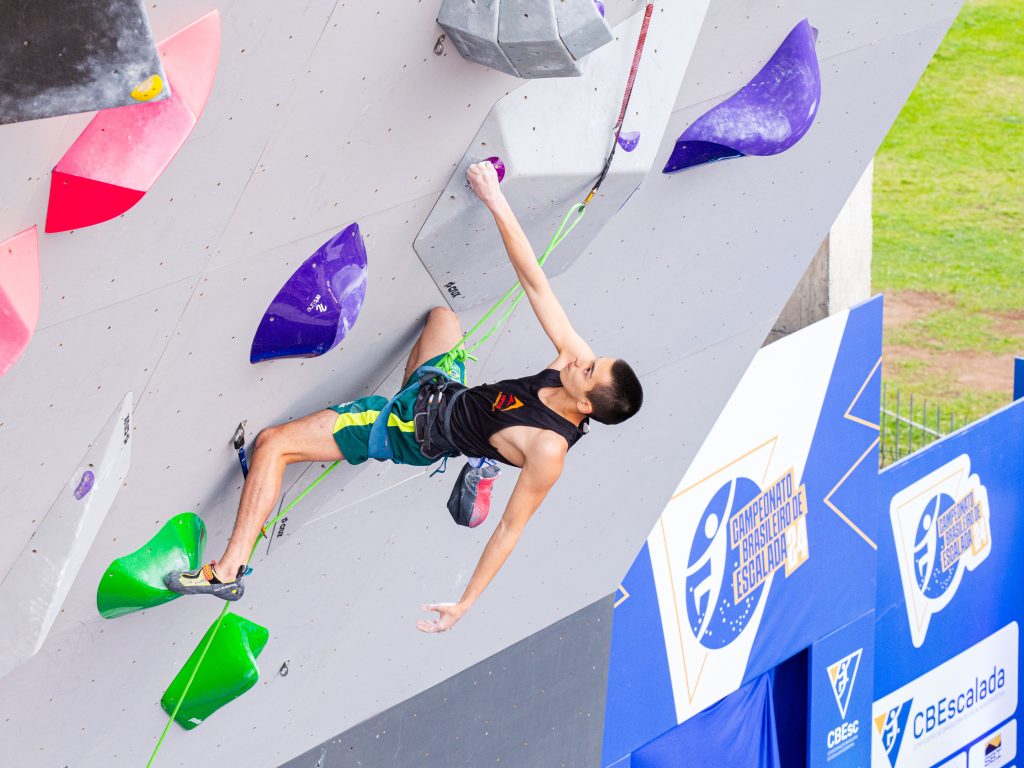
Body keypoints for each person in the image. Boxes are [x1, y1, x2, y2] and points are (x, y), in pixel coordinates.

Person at [166, 161, 643, 633]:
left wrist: (466, 602)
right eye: (593, 359)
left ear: (585, 405)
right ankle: (480, 454)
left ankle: (227, 572)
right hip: (444, 389)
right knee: (444, 320)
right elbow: (534, 283)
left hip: (411, 429)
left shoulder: (547, 451)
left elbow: (509, 530)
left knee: (274, 444)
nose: (583, 358)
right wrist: (495, 198)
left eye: (589, 370)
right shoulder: (572, 361)